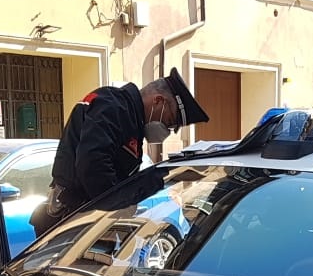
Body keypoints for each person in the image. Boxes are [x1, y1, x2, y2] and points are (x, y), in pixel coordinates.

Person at [31, 68, 209, 236]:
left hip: (84, 219)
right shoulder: (113, 107)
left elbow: (122, 179)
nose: (167, 130)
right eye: (169, 122)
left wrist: (166, 174)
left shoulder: (130, 117)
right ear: (158, 101)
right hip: (72, 219)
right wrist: (117, 210)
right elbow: (94, 167)